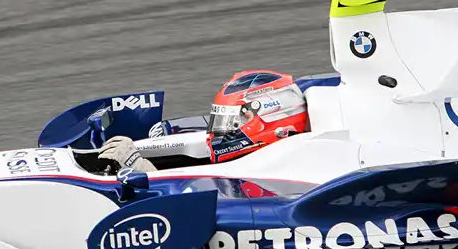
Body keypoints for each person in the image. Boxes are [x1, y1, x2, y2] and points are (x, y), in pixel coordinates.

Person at [98, 70, 310, 172]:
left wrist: (142, 169)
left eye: (230, 121)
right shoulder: (257, 155)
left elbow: (202, 197)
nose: (217, 132)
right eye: (220, 119)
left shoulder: (282, 168)